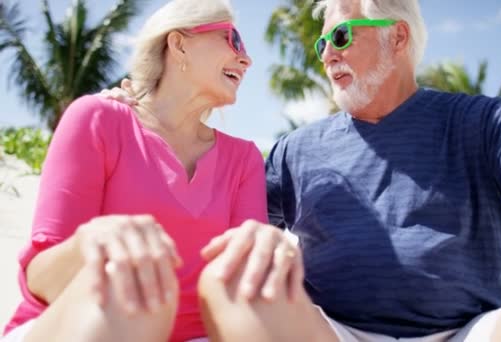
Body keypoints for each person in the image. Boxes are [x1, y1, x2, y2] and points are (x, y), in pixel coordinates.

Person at [192, 0, 501, 341]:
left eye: (341, 36)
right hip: (333, 334)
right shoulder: (296, 149)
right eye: (321, 46)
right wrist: (155, 126)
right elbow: (221, 229)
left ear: (397, 36)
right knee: (227, 280)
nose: (328, 54)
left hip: (471, 334)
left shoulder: (479, 122)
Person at [1, 0, 300, 341]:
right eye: (232, 40)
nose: (246, 59)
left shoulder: (243, 158)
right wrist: (87, 244)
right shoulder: (97, 119)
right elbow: (39, 281)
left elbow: (245, 290)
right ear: (179, 43)